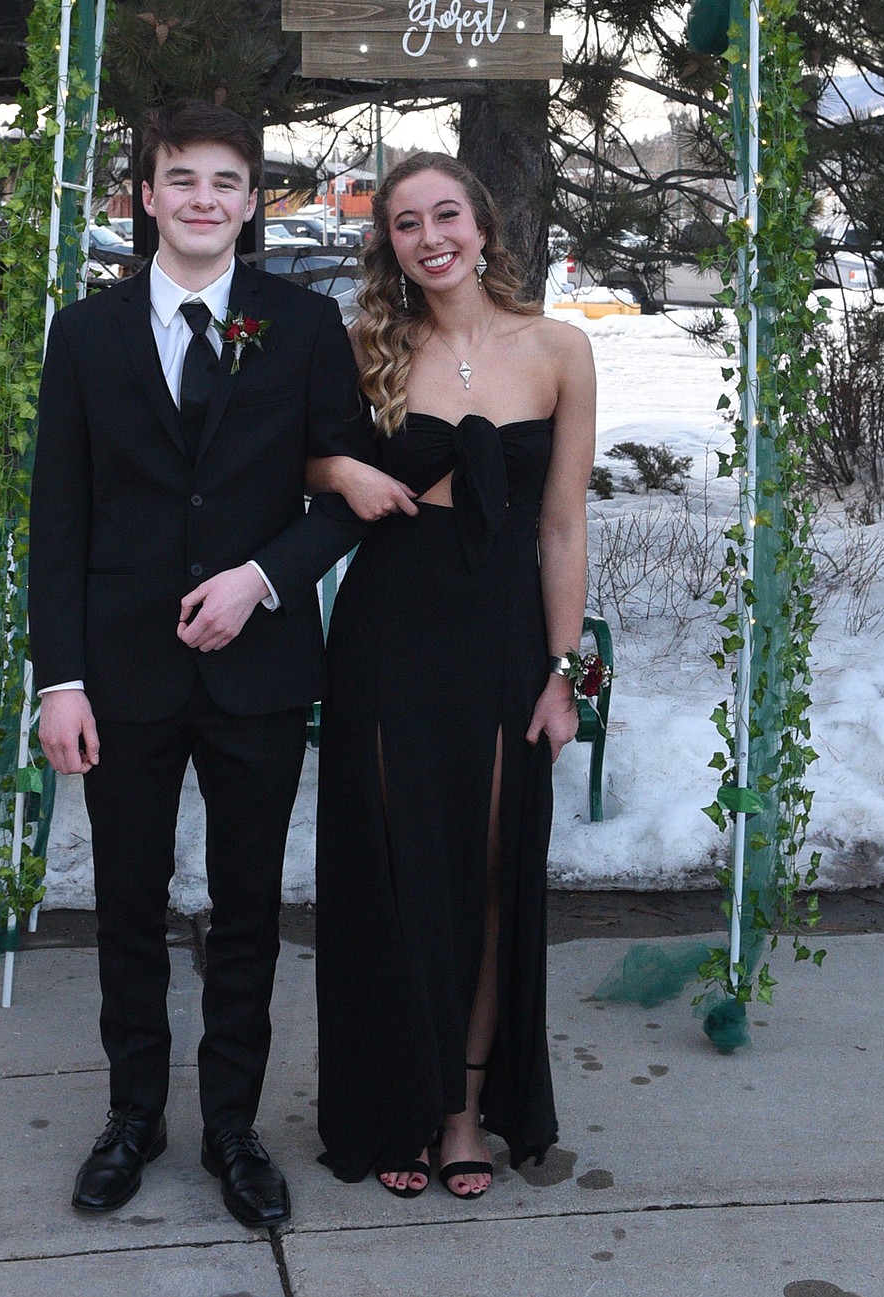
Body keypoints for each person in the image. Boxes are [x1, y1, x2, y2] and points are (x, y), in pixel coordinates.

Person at [29, 99, 368, 1228]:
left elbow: (345, 491)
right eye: (182, 180)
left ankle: (233, 1126)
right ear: (145, 194)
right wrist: (59, 679)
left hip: (256, 670)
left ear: (253, 199)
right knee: (127, 906)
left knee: (247, 906)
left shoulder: (303, 323)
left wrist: (261, 579)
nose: (205, 200)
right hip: (120, 676)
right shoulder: (85, 334)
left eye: (228, 181)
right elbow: (60, 522)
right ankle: (133, 1117)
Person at [306, 151, 595, 1198]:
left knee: (484, 873)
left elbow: (562, 527)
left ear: (483, 224)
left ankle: (466, 1106)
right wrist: (337, 466)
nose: (430, 237)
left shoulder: (561, 349)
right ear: (388, 241)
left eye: (446, 216)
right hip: (387, 637)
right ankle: (398, 1099)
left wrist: (568, 669)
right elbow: (304, 460)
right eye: (405, 223)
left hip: (503, 639)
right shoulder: (363, 348)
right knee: (392, 876)